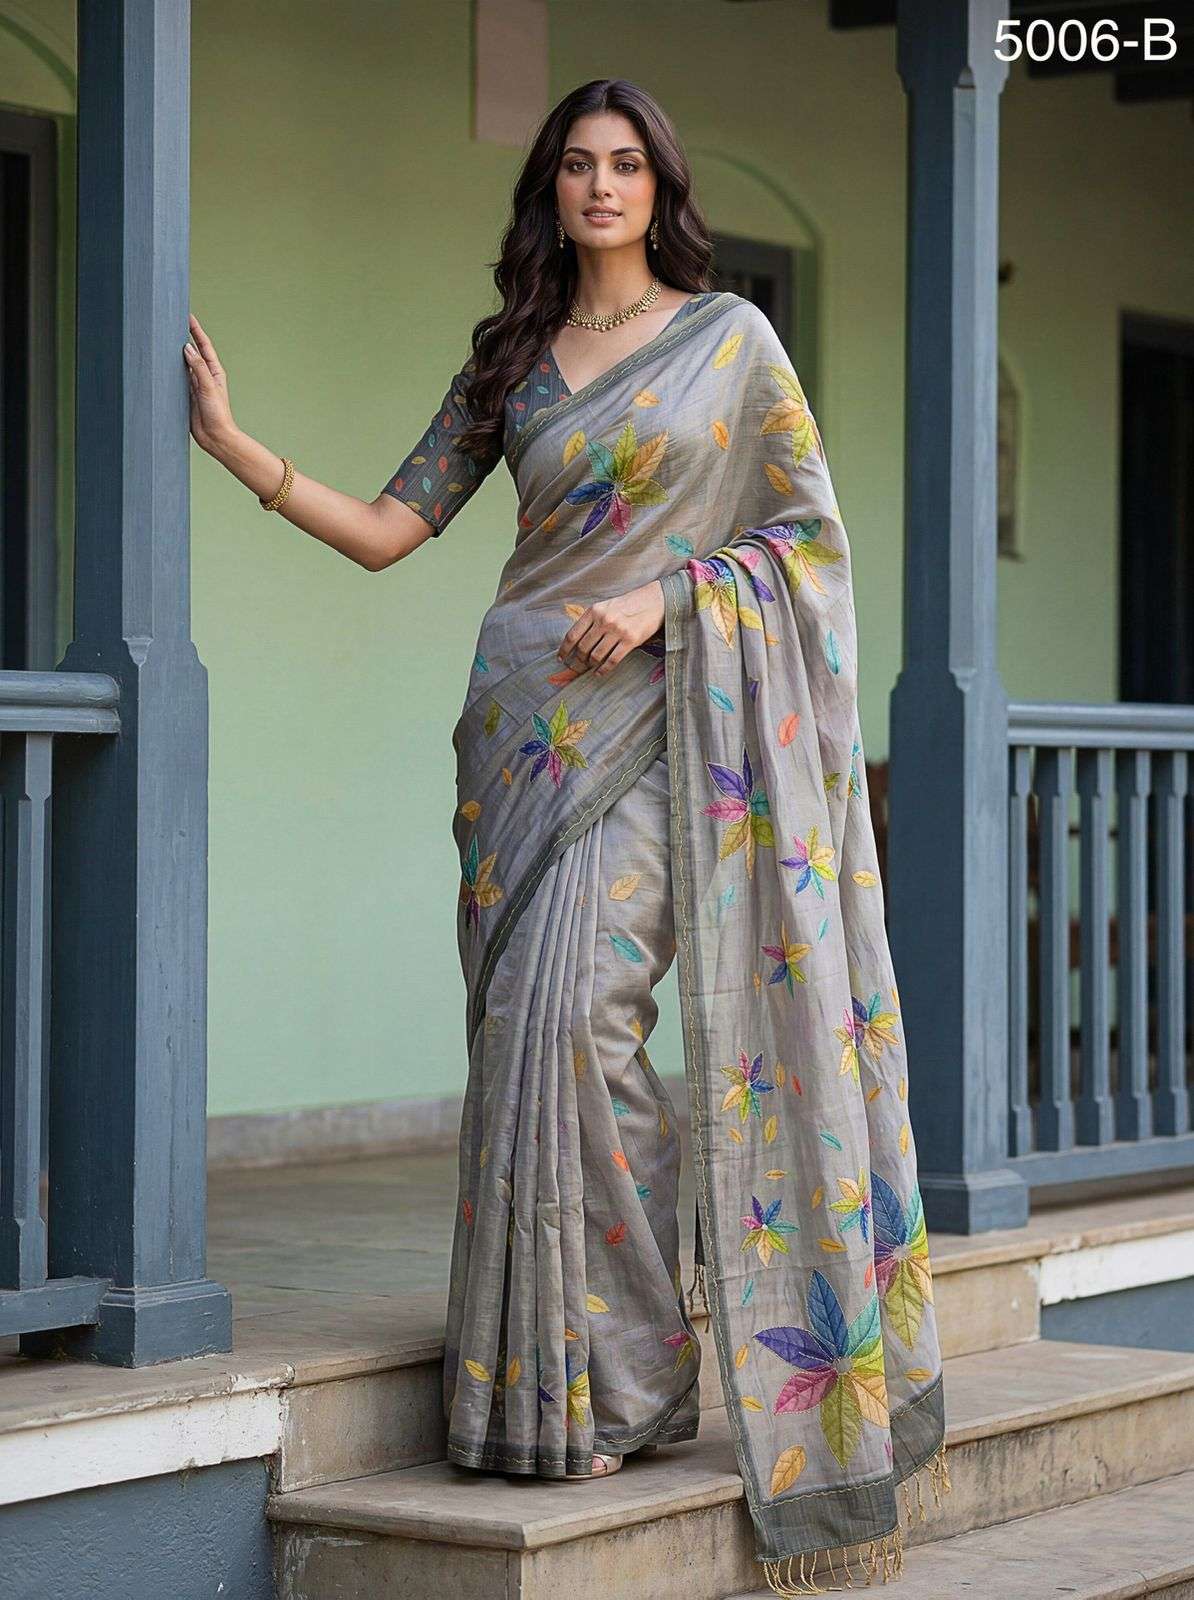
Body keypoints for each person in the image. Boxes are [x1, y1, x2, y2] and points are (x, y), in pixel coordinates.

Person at [185, 75, 949, 1597]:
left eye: (626, 164)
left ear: (662, 188)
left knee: (585, 1020)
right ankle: (550, 1391)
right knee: (524, 1045)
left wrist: (668, 598)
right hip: (519, 737)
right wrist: (232, 444)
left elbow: (807, 543)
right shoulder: (514, 362)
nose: (601, 186)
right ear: (550, 189)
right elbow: (393, 529)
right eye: (578, 165)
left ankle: (638, 1375)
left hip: (659, 730)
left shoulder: (732, 343)